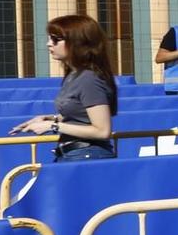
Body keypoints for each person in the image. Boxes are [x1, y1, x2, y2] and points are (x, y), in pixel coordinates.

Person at [12, 14, 118, 161]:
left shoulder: (89, 79)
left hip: (87, 156)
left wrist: (53, 126)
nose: (49, 44)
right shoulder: (74, 75)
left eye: (56, 39)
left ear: (78, 42)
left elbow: (102, 130)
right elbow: (79, 114)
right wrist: (49, 118)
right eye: (49, 38)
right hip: (71, 154)